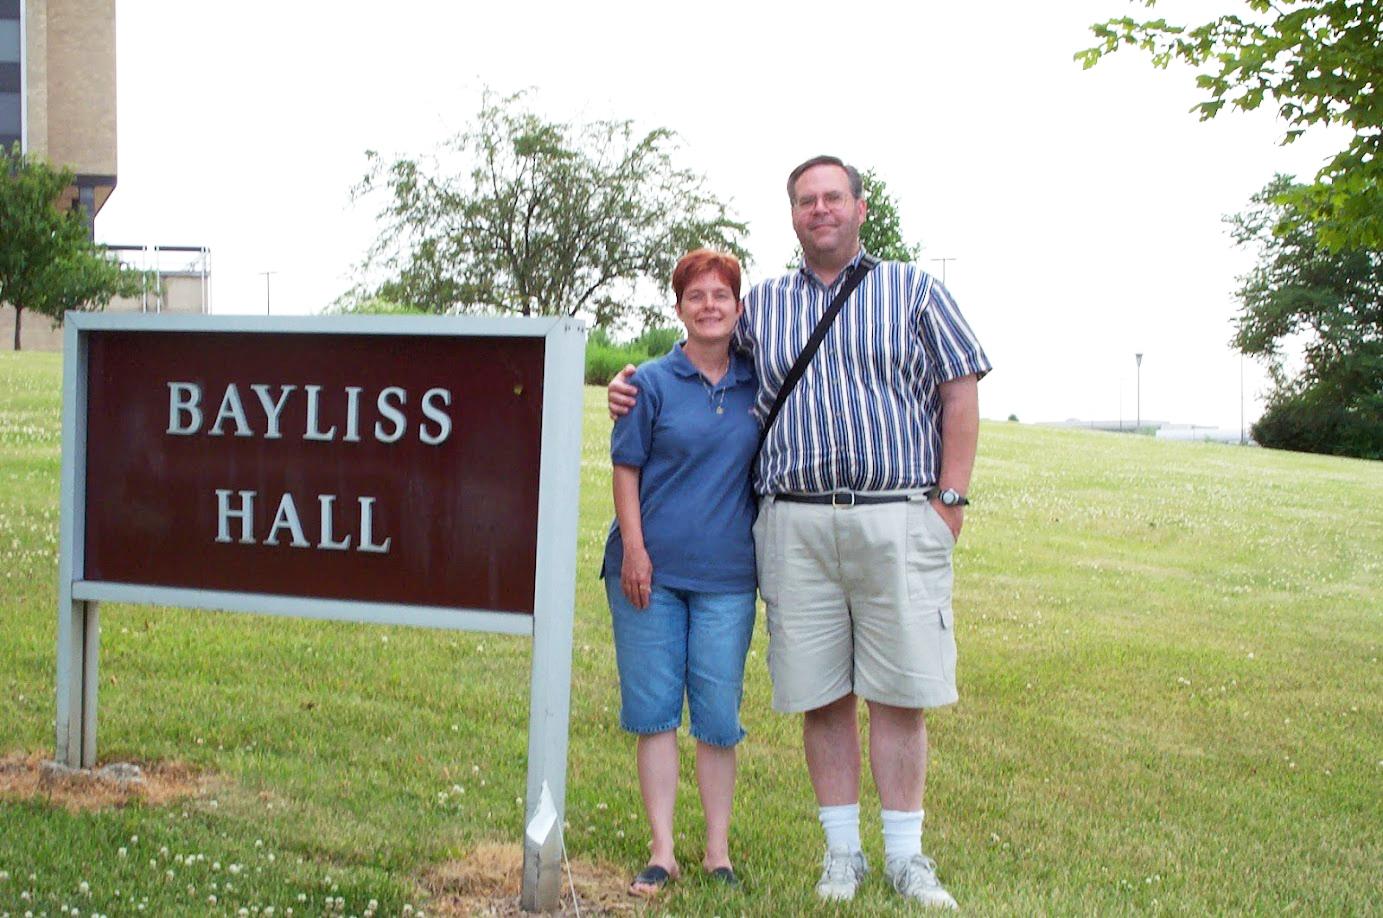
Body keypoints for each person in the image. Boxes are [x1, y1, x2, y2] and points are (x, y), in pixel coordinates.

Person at [609, 156, 990, 909]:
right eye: (806, 200)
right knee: (823, 694)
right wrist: (629, 382)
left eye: (833, 197)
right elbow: (702, 354)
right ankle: (841, 854)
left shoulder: (914, 289)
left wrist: (949, 501)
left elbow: (960, 390)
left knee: (899, 693)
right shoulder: (766, 306)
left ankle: (906, 857)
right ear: (792, 216)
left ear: (859, 208)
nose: (820, 210)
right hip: (795, 523)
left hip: (894, 513)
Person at [600, 248, 759, 896]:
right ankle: (662, 850)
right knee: (654, 712)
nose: (709, 306)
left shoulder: (759, 382)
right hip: (648, 573)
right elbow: (626, 469)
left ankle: (717, 852)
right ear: (678, 308)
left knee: (717, 716)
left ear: (738, 307)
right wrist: (635, 551)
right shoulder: (648, 383)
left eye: (721, 295)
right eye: (696, 295)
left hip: (728, 576)